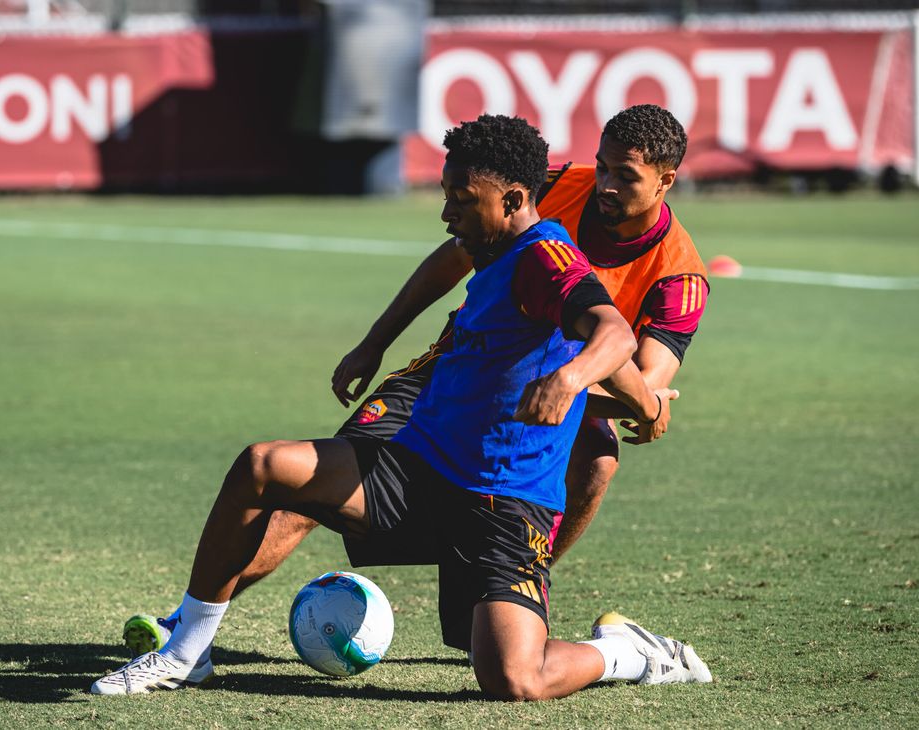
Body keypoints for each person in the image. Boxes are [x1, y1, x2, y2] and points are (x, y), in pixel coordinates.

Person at [92, 114, 710, 699]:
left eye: (460, 203)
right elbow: (464, 262)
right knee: (265, 465)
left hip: (502, 496)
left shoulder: (571, 261)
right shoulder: (528, 208)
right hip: (424, 466)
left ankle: (627, 652)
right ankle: (186, 646)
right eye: (601, 166)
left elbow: (619, 340)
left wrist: (574, 381)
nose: (447, 215)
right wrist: (375, 342)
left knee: (513, 679)